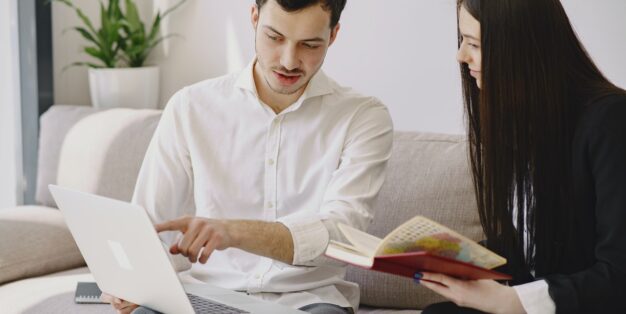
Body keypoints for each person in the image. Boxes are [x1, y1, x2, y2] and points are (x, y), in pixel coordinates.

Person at [100, 0, 394, 313]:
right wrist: (136, 280)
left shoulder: (362, 117)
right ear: (254, 18)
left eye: (310, 44)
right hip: (207, 296)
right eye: (274, 38)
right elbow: (147, 222)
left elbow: (340, 235)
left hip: (308, 302)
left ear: (333, 35)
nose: (289, 61)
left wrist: (234, 232)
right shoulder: (190, 107)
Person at [415, 0, 626, 313]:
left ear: (520, 47)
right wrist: (452, 257)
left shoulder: (611, 120)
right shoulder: (522, 125)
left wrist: (511, 302)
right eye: (462, 41)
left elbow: (617, 276)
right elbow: (536, 248)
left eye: (473, 43)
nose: (461, 56)